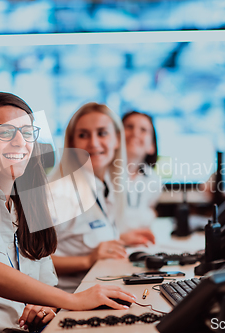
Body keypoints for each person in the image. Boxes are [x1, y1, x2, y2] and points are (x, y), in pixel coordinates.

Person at [0, 93, 135, 333]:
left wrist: (44, 308)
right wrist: (73, 300)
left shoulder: (27, 205)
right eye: (6, 132)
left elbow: (43, 287)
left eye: (27, 133)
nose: (21, 142)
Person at [50, 103, 155, 293]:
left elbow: (81, 237)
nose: (94, 143)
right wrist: (88, 259)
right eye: (83, 135)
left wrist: (120, 240)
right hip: (69, 300)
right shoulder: (59, 193)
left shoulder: (105, 185)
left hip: (103, 287)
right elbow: (32, 265)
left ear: (116, 140)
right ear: (72, 143)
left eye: (102, 133)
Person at [120, 111, 162, 232]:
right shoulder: (102, 175)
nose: (135, 133)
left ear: (152, 146)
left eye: (143, 130)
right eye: (129, 127)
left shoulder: (154, 180)